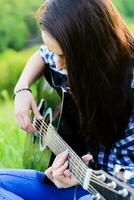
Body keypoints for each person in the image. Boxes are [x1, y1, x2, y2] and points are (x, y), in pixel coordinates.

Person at [0, 0, 134, 199]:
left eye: (63, 55)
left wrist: (85, 178)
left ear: (92, 48)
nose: (57, 64)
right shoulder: (76, 63)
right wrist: (21, 89)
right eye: (55, 53)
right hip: (79, 182)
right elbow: (41, 55)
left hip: (111, 191)